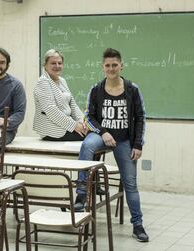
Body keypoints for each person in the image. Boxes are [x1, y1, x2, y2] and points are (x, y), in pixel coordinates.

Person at [75, 48, 149, 242]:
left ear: (121, 66)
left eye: (114, 65)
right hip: (102, 135)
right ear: (103, 67)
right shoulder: (96, 89)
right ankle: (81, 193)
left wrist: (138, 144)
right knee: (86, 145)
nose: (111, 68)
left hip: (125, 140)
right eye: (107, 65)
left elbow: (141, 117)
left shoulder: (132, 89)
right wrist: (104, 132)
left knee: (131, 184)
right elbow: (89, 117)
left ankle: (138, 225)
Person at [33, 49, 86, 141]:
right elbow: (52, 111)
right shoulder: (43, 82)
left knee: (92, 133)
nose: (57, 66)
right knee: (92, 137)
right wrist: (75, 126)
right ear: (45, 65)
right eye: (53, 63)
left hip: (66, 126)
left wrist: (81, 122)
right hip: (52, 130)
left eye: (60, 63)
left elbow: (73, 105)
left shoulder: (62, 81)